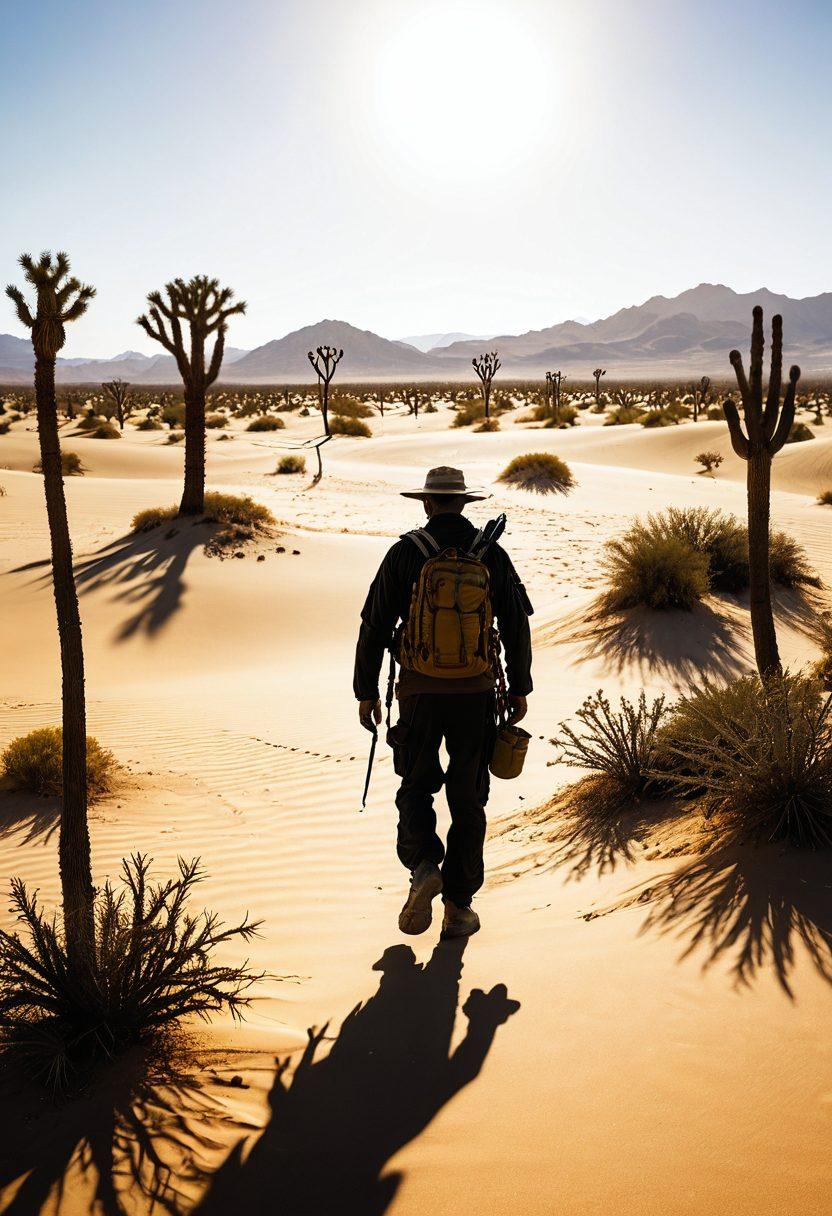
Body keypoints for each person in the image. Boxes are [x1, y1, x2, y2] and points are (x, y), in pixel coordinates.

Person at [354, 466, 533, 940]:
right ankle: (458, 906)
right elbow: (516, 625)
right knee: (468, 798)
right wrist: (520, 688)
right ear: (465, 505)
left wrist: (366, 692)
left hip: (417, 692)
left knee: (415, 786)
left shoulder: (404, 554)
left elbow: (373, 624)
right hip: (477, 693)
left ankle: (422, 867)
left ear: (427, 504)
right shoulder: (491, 553)